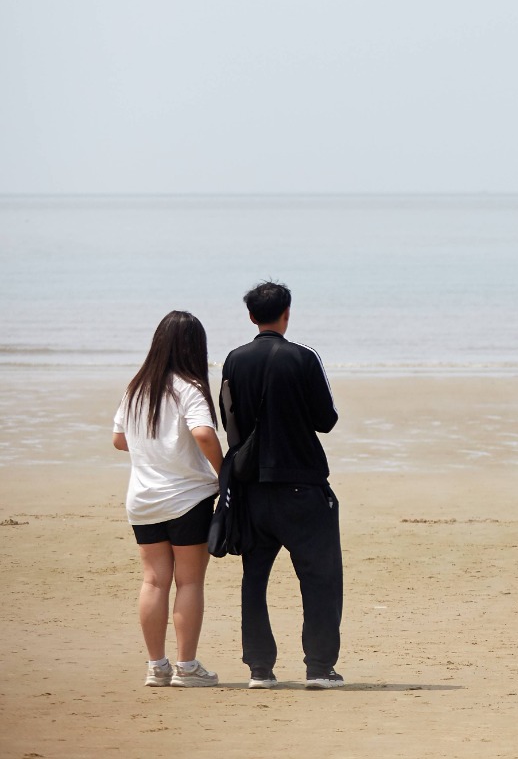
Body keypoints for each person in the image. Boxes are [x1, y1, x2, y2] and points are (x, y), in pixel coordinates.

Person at [220, 281, 345, 689]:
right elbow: (326, 420)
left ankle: (260, 670)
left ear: (251, 317)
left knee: (254, 579)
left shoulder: (233, 361)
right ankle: (319, 669)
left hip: (252, 488)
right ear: (286, 313)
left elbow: (230, 421)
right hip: (301, 486)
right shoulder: (304, 358)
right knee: (320, 578)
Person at [113, 311, 225, 687]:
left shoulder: (137, 387)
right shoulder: (189, 387)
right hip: (187, 497)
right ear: (194, 347)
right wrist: (224, 474)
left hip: (143, 500)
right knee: (189, 583)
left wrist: (153, 449)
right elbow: (205, 435)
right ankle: (187, 667)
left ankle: (156, 667)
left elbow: (119, 439)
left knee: (154, 582)